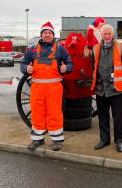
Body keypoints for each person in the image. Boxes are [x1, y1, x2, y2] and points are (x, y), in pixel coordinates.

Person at [20, 21, 73, 151]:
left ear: (53, 35)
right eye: (45, 33)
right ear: (41, 35)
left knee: (54, 113)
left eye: (50, 33)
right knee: (37, 113)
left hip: (54, 88)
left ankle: (57, 140)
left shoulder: (61, 49)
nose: (47, 35)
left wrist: (66, 67)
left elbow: (70, 64)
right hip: (37, 88)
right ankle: (38, 140)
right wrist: (26, 68)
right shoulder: (32, 49)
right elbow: (23, 64)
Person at [91, 24, 122, 152]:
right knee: (102, 116)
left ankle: (119, 141)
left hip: (115, 90)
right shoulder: (96, 48)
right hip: (101, 89)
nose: (107, 36)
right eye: (105, 34)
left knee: (117, 118)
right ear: (101, 35)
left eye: (109, 34)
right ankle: (104, 140)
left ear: (113, 34)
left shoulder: (120, 47)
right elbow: (94, 66)